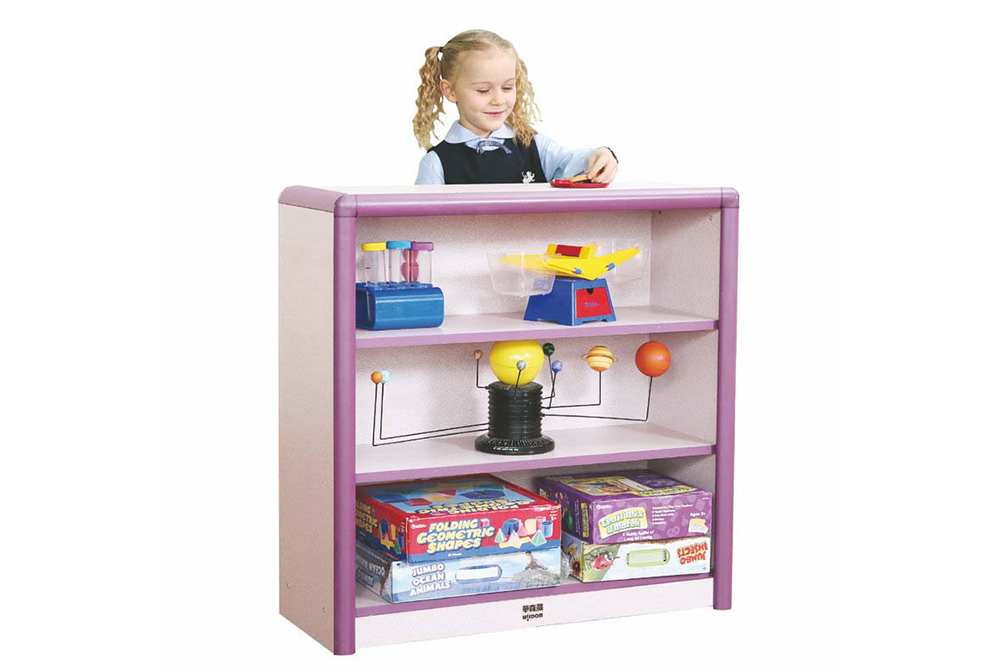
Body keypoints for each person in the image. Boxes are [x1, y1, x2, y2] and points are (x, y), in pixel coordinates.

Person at [413, 30, 618, 186]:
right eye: (483, 90)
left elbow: (578, 163)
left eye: (507, 87)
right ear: (450, 91)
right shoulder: (436, 164)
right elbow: (424, 225)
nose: (498, 100)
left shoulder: (535, 147)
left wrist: (602, 154)